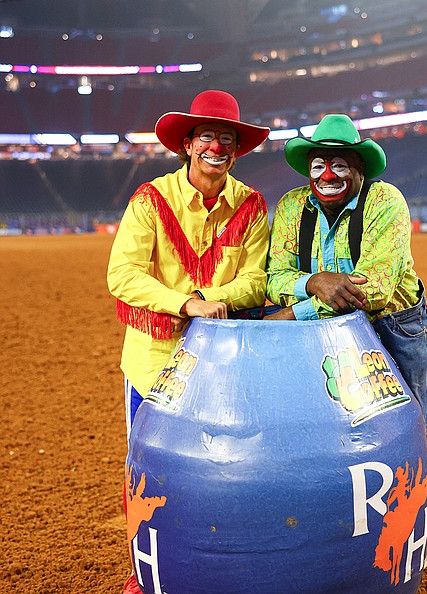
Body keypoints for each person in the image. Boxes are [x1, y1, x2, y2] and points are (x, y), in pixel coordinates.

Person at [107, 89, 270, 594]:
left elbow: (257, 280)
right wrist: (187, 305)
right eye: (207, 137)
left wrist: (204, 294)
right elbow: (122, 274)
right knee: (150, 471)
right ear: (188, 144)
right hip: (154, 360)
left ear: (237, 149)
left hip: (224, 362)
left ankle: (220, 557)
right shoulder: (150, 200)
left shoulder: (252, 205)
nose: (216, 147)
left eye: (227, 138)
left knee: (224, 465)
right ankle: (146, 571)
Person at [265, 114, 427, 453]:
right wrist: (315, 282)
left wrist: (291, 315)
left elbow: (373, 291)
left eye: (340, 166)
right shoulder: (290, 206)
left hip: (389, 325)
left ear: (360, 169)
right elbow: (274, 280)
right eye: (319, 166)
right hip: (315, 330)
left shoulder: (386, 202)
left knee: (405, 419)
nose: (327, 176)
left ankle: (412, 479)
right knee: (318, 415)